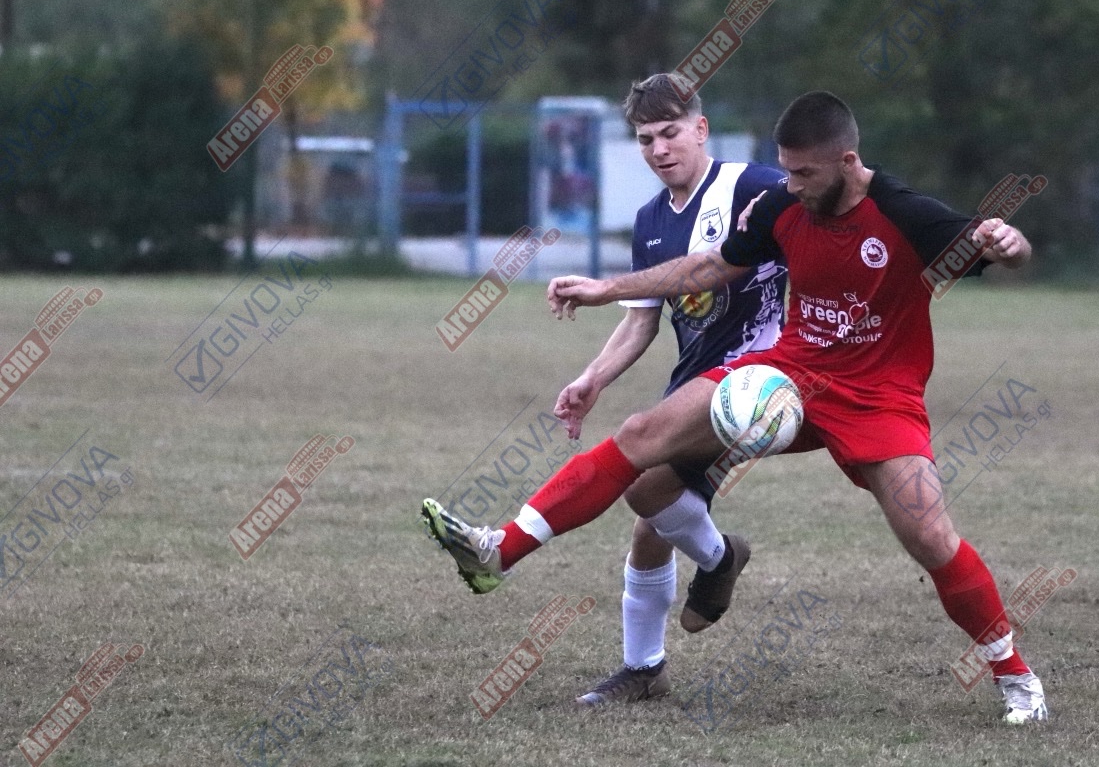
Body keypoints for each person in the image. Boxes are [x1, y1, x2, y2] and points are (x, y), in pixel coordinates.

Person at [423, 90, 1047, 724]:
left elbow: (1002, 251)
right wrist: (607, 288)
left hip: (878, 396)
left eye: (803, 173)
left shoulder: (906, 213)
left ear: (846, 162)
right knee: (642, 439)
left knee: (929, 536)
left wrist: (1009, 240)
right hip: (789, 372)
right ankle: (500, 551)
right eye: (786, 169)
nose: (790, 184)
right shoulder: (782, 204)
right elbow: (710, 267)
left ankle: (1015, 676)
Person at [429, 73, 789, 707]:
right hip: (696, 382)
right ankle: (651, 659)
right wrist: (592, 377)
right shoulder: (650, 222)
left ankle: (503, 548)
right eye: (646, 139)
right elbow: (642, 320)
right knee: (651, 514)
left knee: (639, 452)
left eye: (671, 133)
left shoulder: (750, 186)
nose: (660, 149)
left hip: (761, 380)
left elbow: (825, 209)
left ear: (701, 128)